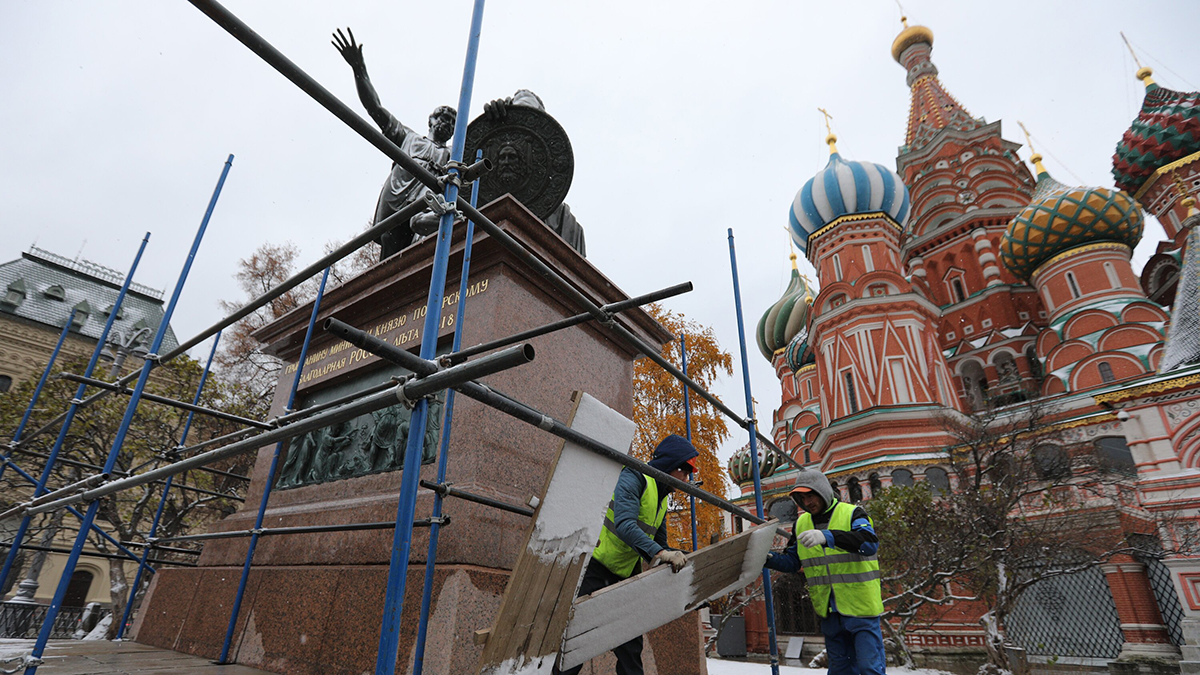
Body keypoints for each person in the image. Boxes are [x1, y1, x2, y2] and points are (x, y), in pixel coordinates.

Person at [554, 434, 698, 675]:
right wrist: (662, 553)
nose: (687, 478)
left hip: (624, 572)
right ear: (672, 465)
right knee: (576, 647)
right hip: (596, 567)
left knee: (630, 649)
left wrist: (689, 559)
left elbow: (660, 543)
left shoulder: (662, 495)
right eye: (685, 470)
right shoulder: (635, 475)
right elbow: (624, 525)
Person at [333, 28, 454, 260]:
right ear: (431, 120)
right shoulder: (408, 137)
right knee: (390, 260)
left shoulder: (452, 155)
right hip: (396, 202)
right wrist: (359, 70)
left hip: (425, 207)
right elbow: (375, 108)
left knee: (421, 251)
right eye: (443, 118)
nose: (447, 124)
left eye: (452, 122)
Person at [765, 470, 884, 675]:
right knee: (839, 670)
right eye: (802, 498)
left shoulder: (852, 513)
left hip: (861, 608)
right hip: (829, 612)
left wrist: (828, 536)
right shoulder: (801, 524)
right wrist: (767, 559)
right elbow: (793, 562)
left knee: (868, 668)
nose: (807, 501)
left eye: (810, 495)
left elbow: (868, 543)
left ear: (823, 491)